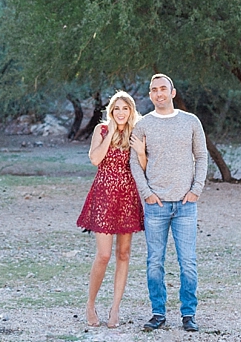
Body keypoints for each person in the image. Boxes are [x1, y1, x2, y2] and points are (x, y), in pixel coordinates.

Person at [129, 74, 207, 333]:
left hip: (186, 205)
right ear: (150, 95)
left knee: (188, 263)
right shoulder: (143, 126)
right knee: (155, 262)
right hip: (156, 205)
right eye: (154, 90)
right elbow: (135, 163)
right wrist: (147, 193)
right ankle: (158, 313)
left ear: (173, 93)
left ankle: (188, 314)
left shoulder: (191, 121)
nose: (159, 93)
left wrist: (196, 190)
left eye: (163, 89)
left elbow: (201, 156)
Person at [76, 90, 145, 328]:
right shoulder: (101, 130)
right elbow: (95, 159)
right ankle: (90, 303)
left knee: (124, 254)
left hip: (127, 196)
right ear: (111, 111)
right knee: (104, 255)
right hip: (104, 195)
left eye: (125, 109)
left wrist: (140, 151)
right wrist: (112, 133)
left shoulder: (137, 132)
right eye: (117, 109)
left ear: (132, 111)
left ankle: (115, 308)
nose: (121, 113)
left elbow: (144, 166)